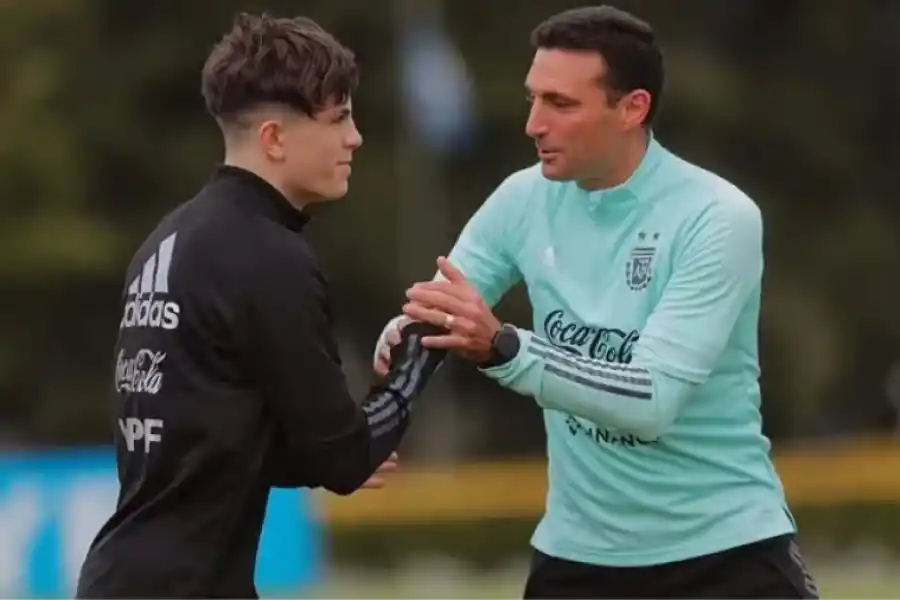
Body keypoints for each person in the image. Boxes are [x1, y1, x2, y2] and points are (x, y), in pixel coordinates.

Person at [374, 5, 819, 599]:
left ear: (633, 108)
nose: (533, 123)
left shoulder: (717, 216)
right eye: (533, 98)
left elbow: (651, 399)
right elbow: (441, 315)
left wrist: (505, 347)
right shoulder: (520, 199)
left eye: (561, 104)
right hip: (577, 560)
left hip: (725, 556)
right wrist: (382, 382)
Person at [76, 13, 445, 599]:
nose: (355, 137)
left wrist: (337, 448)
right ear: (274, 137)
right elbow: (343, 460)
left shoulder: (167, 240)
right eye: (339, 118)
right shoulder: (267, 255)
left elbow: (214, 438)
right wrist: (426, 346)